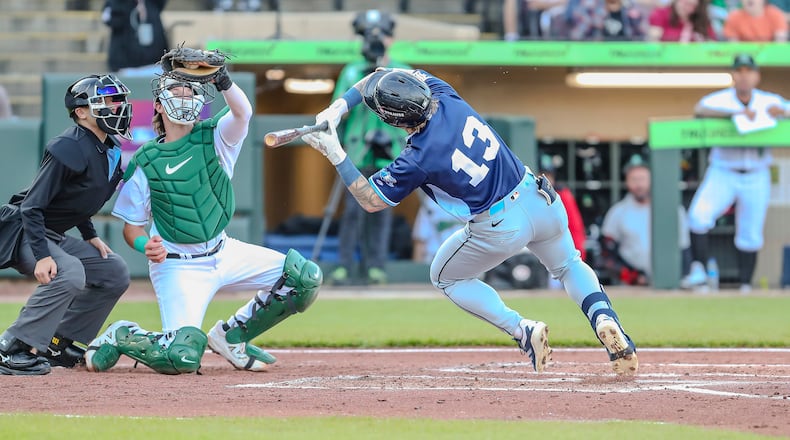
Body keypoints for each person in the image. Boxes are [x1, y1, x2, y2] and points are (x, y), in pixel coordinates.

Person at [303, 68, 639, 375]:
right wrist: (340, 107)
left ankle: (522, 330)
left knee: (444, 277)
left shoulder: (417, 157)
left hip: (499, 225)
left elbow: (371, 200)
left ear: (395, 121)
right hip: (538, 197)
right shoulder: (444, 94)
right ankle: (603, 317)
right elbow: (383, 75)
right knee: (568, 265)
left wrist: (336, 152)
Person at [83, 50, 323, 375]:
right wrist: (144, 246)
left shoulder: (216, 137)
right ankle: (124, 334)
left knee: (303, 278)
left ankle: (232, 336)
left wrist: (221, 78)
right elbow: (132, 227)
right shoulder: (146, 160)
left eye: (191, 91)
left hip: (224, 250)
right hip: (178, 265)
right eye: (176, 92)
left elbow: (243, 112)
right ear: (158, 105)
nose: (184, 97)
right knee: (181, 357)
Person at [0, 74, 133, 375]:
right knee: (70, 272)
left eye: (117, 101)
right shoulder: (69, 146)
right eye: (107, 102)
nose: (116, 108)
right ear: (82, 112)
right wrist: (43, 256)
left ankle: (59, 342)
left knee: (114, 271)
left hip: (49, 233)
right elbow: (33, 205)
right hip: (24, 231)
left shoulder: (107, 147)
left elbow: (76, 198)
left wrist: (90, 236)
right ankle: (11, 346)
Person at [681, 54, 788, 294]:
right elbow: (700, 108)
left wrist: (780, 111)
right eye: (739, 70)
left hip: (757, 172)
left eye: (748, 70)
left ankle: (745, 286)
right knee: (698, 216)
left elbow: (787, 110)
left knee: (750, 233)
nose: (744, 75)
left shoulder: (768, 100)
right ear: (733, 75)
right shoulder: (722, 99)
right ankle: (699, 273)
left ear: (756, 75)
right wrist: (732, 115)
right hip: (723, 170)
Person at [326, 10, 411, 286]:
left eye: (382, 36)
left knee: (383, 209)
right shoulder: (351, 70)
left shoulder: (402, 68)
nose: (376, 42)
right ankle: (344, 265)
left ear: (392, 39)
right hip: (358, 149)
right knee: (352, 211)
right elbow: (338, 111)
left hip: (391, 151)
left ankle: (376, 266)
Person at [601, 156, 691, 286]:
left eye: (643, 179)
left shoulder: (673, 209)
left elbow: (685, 250)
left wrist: (681, 278)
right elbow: (607, 255)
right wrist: (633, 277)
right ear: (626, 182)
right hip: (630, 286)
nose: (639, 184)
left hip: (669, 284)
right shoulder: (617, 212)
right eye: (633, 179)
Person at [102, 0, 169, 76]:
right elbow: (108, 19)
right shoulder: (117, 4)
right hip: (125, 66)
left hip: (154, 66)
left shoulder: (151, 4)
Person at [411, 195, 465, 264]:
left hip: (462, 262)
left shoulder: (473, 198)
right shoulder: (431, 200)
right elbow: (420, 241)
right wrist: (417, 270)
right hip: (433, 261)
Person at [566, 0, 648, 41]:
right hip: (598, 57)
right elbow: (576, 36)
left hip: (627, 56)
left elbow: (644, 36)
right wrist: (601, 14)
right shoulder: (589, 8)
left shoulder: (631, 7)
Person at [646, 0, 718, 41]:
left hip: (696, 60)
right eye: (685, 3)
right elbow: (653, 40)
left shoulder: (701, 19)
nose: (688, 8)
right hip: (667, 60)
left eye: (692, 6)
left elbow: (712, 44)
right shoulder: (660, 14)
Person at [723, 0, 788, 41]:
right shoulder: (733, 17)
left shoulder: (776, 15)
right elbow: (733, 47)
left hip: (770, 58)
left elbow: (780, 44)